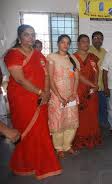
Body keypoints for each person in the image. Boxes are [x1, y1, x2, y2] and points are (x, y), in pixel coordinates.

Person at [4, 24, 61, 179]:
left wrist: (47, 93)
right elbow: (19, 79)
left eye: (33, 34)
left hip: (41, 98)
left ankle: (42, 162)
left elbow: (47, 76)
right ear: (20, 37)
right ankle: (26, 163)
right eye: (27, 35)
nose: (31, 38)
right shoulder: (13, 54)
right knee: (27, 130)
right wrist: (41, 92)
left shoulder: (39, 55)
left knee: (41, 130)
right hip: (22, 99)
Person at [47, 34, 80, 158]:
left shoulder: (72, 59)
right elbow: (50, 79)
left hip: (70, 96)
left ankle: (67, 145)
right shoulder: (52, 57)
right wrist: (59, 97)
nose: (65, 45)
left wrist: (74, 93)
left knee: (71, 121)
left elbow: (76, 78)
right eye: (63, 42)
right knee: (58, 122)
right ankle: (59, 148)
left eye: (67, 43)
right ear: (58, 43)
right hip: (57, 95)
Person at [72, 34, 101, 150]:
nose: (85, 44)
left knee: (92, 114)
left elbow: (96, 72)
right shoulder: (72, 58)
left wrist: (95, 86)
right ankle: (79, 138)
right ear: (78, 43)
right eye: (83, 41)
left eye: (87, 42)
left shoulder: (92, 57)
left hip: (91, 91)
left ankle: (91, 138)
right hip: (77, 90)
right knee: (79, 116)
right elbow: (73, 75)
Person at [89, 31, 108, 127]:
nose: (98, 40)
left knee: (103, 107)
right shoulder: (87, 51)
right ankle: (93, 126)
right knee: (92, 108)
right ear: (92, 39)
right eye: (96, 38)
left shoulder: (105, 52)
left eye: (100, 38)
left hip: (102, 85)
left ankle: (103, 126)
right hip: (91, 86)